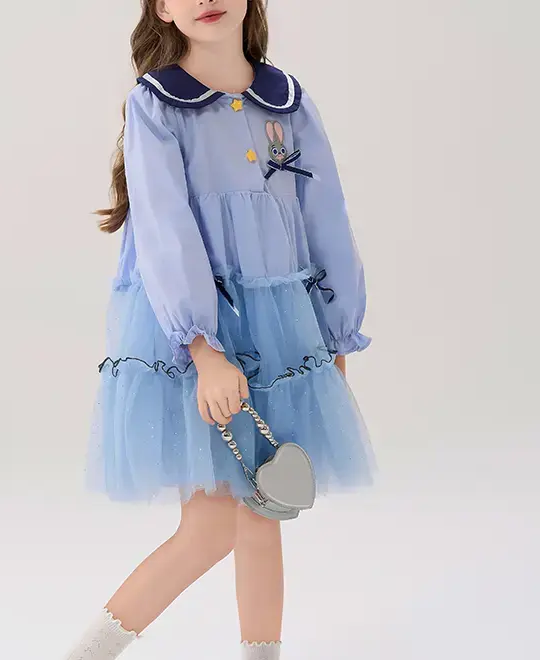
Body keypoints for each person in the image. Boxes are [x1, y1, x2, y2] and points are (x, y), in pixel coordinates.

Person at [66, 1, 377, 658]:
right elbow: (164, 228)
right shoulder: (158, 105)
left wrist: (335, 337)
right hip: (195, 331)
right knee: (210, 524)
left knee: (265, 511)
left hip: (284, 330)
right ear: (162, 8)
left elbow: (325, 215)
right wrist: (203, 350)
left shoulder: (288, 102)